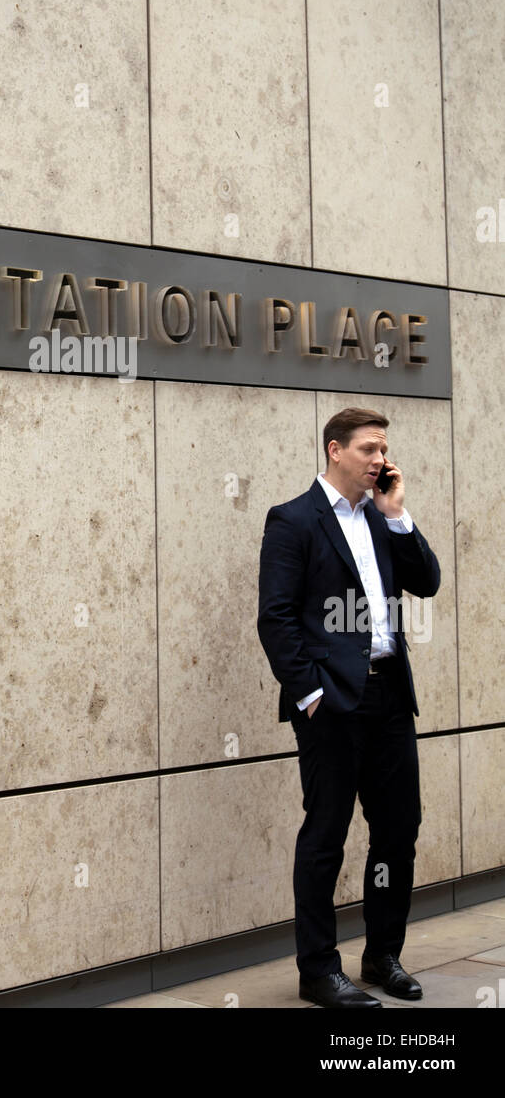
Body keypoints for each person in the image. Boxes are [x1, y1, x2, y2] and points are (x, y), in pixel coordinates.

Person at [257, 406, 441, 1008]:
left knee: (397, 830)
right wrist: (309, 694)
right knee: (326, 835)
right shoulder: (293, 520)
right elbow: (276, 618)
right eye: (369, 449)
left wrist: (398, 515)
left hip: (389, 694)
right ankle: (318, 969)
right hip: (331, 704)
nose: (381, 460)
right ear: (336, 450)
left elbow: (428, 581)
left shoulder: (383, 517)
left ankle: (383, 954)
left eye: (384, 449)